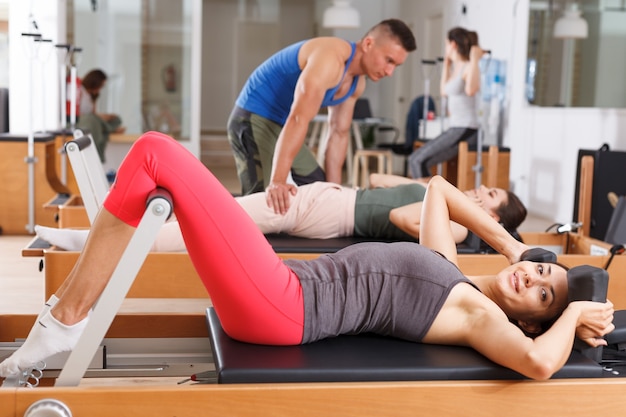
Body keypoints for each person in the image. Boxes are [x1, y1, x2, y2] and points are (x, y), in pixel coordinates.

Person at [0, 131, 613, 381]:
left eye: (542, 291)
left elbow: (537, 364)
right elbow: (440, 192)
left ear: (533, 316)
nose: (532, 275)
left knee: (157, 153)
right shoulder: (451, 271)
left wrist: (573, 315)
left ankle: (64, 321)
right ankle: (66, 314)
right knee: (153, 166)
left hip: (282, 307)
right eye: (540, 267)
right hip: (282, 289)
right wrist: (511, 241)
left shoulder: (484, 321)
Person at [228, 19, 416, 214]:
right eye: (389, 60)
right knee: (265, 201)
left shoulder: (356, 85)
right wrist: (277, 181)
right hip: (253, 117)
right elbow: (298, 119)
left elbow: (339, 134)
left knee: (318, 188)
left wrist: (334, 194)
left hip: (282, 125)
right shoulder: (330, 58)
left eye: (396, 66)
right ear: (368, 44)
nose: (390, 72)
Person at [35, 177, 526, 252]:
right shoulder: (449, 201)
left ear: (494, 220)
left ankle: (92, 243)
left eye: (490, 197)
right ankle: (100, 236)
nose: (480, 191)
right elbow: (378, 184)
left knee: (210, 221)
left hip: (327, 211)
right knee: (209, 210)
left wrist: (434, 202)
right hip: (331, 196)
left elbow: (399, 221)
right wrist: (426, 188)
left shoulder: (458, 226)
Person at [407, 27, 483, 179]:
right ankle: (427, 199)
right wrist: (446, 65)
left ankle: (426, 201)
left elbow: (471, 90)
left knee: (417, 160)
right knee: (418, 160)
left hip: (466, 129)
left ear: (453, 44)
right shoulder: (456, 67)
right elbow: (443, 91)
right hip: (456, 127)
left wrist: (475, 59)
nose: (445, 48)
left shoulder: (469, 66)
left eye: (446, 44)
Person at [76, 69, 126, 162]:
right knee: (91, 119)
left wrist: (107, 117)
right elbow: (83, 114)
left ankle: (106, 128)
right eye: (101, 85)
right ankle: (109, 129)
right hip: (83, 121)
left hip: (93, 121)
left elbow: (94, 113)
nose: (101, 88)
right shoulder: (79, 90)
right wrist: (97, 117)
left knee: (116, 119)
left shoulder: (93, 96)